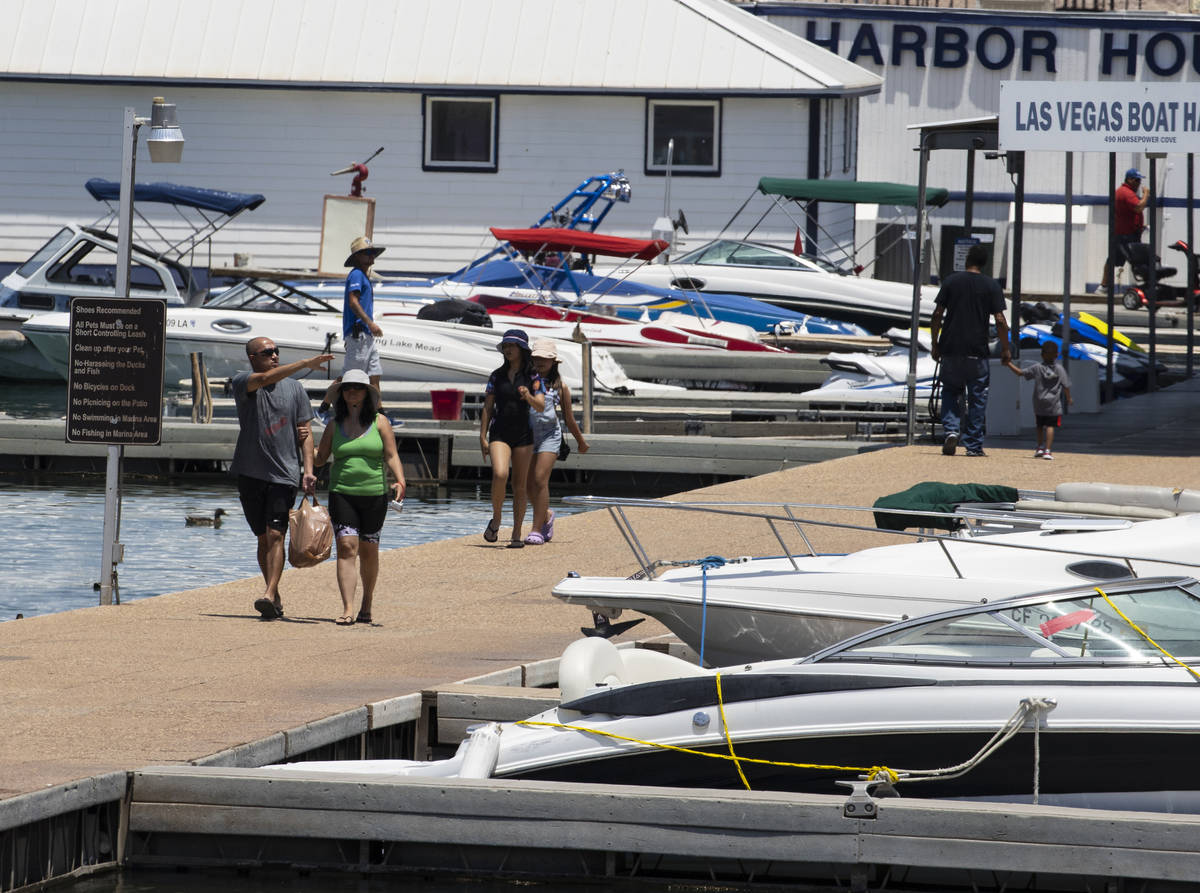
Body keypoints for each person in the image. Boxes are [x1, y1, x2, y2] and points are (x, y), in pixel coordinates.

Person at [230, 337, 334, 620]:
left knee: (276, 535)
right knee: (262, 538)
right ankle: (274, 595)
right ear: (253, 357)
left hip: (284, 474)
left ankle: (268, 592)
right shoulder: (242, 382)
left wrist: (309, 470)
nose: (274, 355)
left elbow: (306, 431)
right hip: (250, 472)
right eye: (267, 352)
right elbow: (264, 378)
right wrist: (305, 364)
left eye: (277, 351)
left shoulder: (295, 389)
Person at [315, 369, 407, 626]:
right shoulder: (333, 425)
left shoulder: (380, 422)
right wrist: (302, 447)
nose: (351, 391)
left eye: (357, 387)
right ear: (341, 394)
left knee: (369, 551)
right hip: (342, 493)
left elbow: (391, 455)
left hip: (375, 495)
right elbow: (320, 458)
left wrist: (400, 480)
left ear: (367, 393)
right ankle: (347, 607)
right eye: (347, 388)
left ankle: (367, 604)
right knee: (346, 547)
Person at [930, 243, 1011, 458]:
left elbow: (937, 314)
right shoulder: (991, 285)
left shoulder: (951, 281)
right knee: (977, 398)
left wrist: (935, 343)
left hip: (951, 349)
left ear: (967, 260)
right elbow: (1001, 320)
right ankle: (973, 445)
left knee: (949, 391)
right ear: (984, 264)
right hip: (977, 350)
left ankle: (950, 430)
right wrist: (1005, 348)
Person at [479, 329, 543, 548]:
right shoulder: (496, 376)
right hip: (500, 432)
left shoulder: (533, 376)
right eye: (505, 346)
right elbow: (487, 406)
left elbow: (541, 406)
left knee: (520, 486)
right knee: (500, 473)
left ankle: (517, 532)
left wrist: (528, 396)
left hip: (524, 434)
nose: (507, 350)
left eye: (512, 346)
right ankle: (496, 519)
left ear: (522, 350)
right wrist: (482, 436)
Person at [523, 338, 589, 546]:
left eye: (545, 359)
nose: (540, 362)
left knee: (540, 479)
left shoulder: (560, 387)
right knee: (527, 486)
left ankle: (536, 529)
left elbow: (569, 419)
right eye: (537, 359)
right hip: (526, 438)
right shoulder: (524, 383)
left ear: (554, 362)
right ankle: (546, 515)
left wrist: (581, 441)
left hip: (549, 437)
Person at [1005, 341, 1072, 461]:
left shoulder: (1037, 368)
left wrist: (1009, 364)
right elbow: (1066, 385)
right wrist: (1069, 398)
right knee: (1050, 426)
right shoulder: (1059, 369)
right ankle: (1048, 450)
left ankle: (1039, 447)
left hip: (1039, 402)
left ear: (1042, 355)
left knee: (1039, 426)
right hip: (1054, 404)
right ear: (1057, 355)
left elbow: (1021, 373)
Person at [341, 235, 385, 391]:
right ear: (358, 257)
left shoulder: (363, 276)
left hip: (366, 335)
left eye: (372, 253)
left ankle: (379, 414)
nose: (371, 256)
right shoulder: (357, 275)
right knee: (350, 378)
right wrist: (370, 323)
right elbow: (353, 302)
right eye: (367, 253)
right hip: (358, 334)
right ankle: (324, 408)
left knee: (374, 376)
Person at [1098, 168, 1150, 291]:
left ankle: (1104, 286)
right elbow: (1138, 207)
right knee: (1139, 260)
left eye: (1139, 181)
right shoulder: (1126, 193)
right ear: (1129, 180)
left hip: (1126, 233)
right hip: (1126, 235)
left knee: (1115, 259)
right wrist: (1146, 194)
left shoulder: (1124, 192)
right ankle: (1104, 286)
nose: (1138, 183)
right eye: (1137, 180)